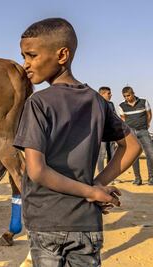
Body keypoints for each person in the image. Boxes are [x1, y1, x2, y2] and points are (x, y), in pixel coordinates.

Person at [14, 18, 141, 266]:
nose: (25, 64)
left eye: (31, 55)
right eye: (23, 56)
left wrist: (93, 190)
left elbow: (36, 170)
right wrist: (97, 184)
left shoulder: (39, 103)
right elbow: (132, 146)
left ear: (62, 55)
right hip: (86, 221)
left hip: (46, 221)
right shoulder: (97, 101)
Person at [119, 86, 153, 185]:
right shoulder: (121, 106)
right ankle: (137, 178)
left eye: (128, 95)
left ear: (133, 93)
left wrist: (146, 125)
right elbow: (123, 119)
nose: (127, 98)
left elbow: (149, 115)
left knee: (151, 154)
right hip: (131, 133)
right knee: (134, 156)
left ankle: (151, 178)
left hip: (143, 131)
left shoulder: (143, 102)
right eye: (125, 96)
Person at [96, 86, 116, 173]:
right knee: (102, 154)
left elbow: (115, 117)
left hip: (111, 133)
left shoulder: (111, 104)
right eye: (108, 93)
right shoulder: (96, 104)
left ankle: (110, 175)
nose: (111, 95)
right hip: (101, 134)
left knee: (111, 154)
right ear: (102, 94)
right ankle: (101, 175)